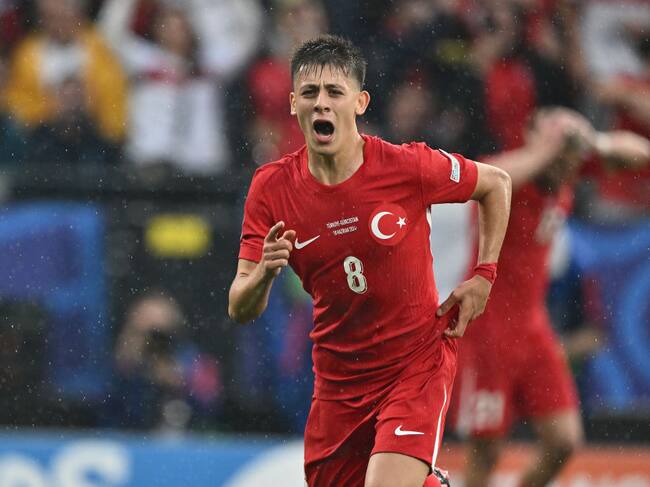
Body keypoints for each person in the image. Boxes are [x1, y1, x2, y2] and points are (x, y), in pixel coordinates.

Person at [228, 35, 512, 487]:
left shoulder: (406, 166)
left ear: (359, 102)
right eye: (309, 92)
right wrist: (263, 274)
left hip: (414, 366)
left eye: (334, 92)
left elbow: (496, 184)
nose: (321, 103)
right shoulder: (271, 188)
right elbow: (239, 306)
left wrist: (484, 274)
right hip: (339, 386)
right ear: (293, 104)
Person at [450, 107, 650, 487]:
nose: (566, 161)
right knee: (485, 451)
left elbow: (642, 152)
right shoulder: (508, 178)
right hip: (487, 329)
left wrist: (594, 142)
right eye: (559, 147)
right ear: (531, 136)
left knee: (564, 441)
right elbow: (486, 176)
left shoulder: (566, 171)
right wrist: (549, 147)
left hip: (533, 328)